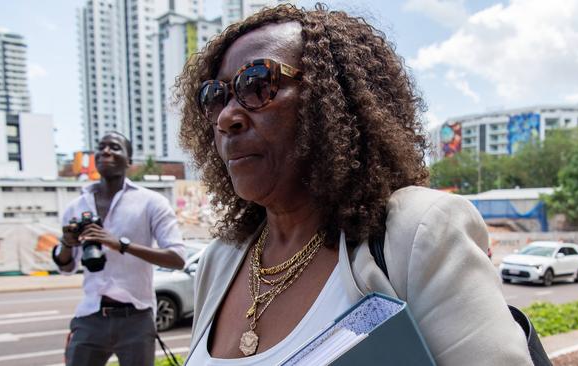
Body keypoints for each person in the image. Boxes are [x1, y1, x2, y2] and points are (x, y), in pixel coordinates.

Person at [175, 4, 533, 365]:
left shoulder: (417, 233)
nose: (226, 117)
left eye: (256, 84)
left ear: (333, 99)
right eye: (214, 96)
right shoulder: (218, 261)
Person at [52, 131, 186, 366]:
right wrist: (66, 242)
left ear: (129, 160)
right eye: (101, 147)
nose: (105, 151)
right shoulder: (76, 206)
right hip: (90, 315)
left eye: (114, 147)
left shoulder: (151, 202)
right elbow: (66, 267)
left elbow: (177, 258)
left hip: (136, 316)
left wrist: (120, 244)